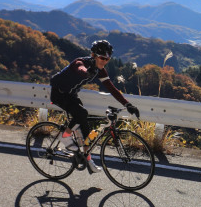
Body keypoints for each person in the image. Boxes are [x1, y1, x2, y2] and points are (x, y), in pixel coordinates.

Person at [50, 39, 140, 173]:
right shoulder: (80, 62)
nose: (104, 61)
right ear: (93, 55)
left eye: (107, 59)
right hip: (58, 93)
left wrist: (127, 104)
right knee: (82, 113)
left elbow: (112, 89)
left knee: (87, 132)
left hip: (71, 95)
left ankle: (88, 160)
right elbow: (79, 68)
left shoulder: (101, 71)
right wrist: (86, 72)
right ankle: (64, 136)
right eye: (102, 58)